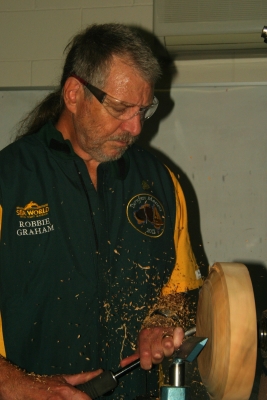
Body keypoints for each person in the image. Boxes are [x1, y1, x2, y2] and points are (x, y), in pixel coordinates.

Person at [0, 23, 202, 399]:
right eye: (122, 108)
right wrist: (23, 386)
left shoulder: (160, 183)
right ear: (75, 93)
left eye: (144, 109)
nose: (136, 126)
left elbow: (182, 292)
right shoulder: (10, 181)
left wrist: (162, 321)